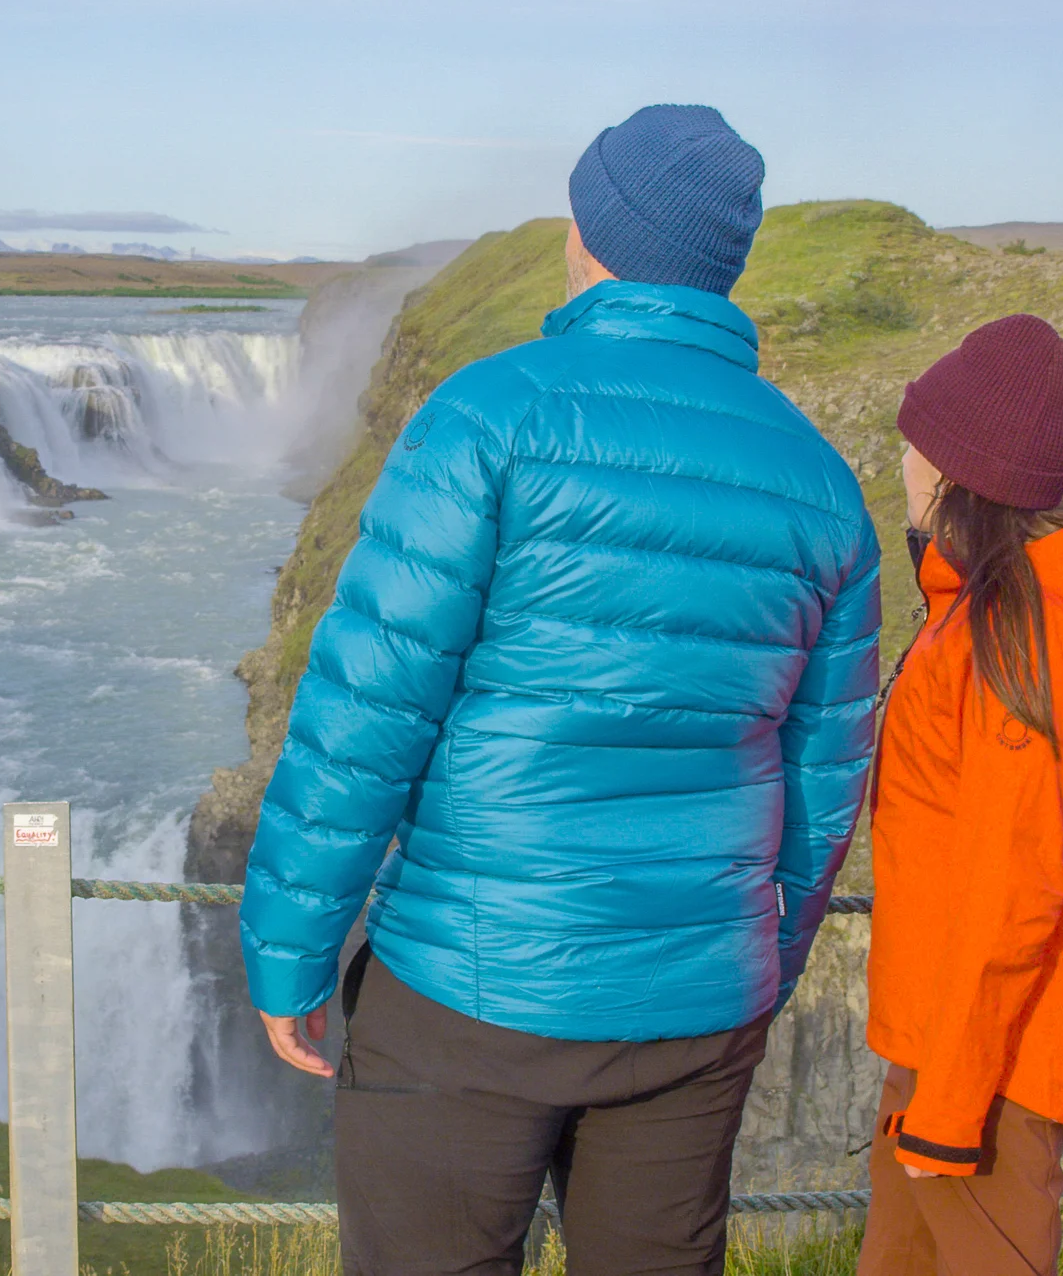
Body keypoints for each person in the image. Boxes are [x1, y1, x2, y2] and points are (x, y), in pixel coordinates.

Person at [239, 104, 883, 1276]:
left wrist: (292, 948)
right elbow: (824, 775)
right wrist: (756, 967)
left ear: (589, 233)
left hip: (469, 992)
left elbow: (365, 715)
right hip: (695, 1011)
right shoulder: (820, 483)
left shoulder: (492, 418)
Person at [857, 315, 1063, 1276]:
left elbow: (1012, 893)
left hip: (987, 1068)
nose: (902, 454)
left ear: (953, 468)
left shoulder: (1016, 641)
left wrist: (948, 1111)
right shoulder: (996, 611)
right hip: (951, 1039)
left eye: (919, 436)